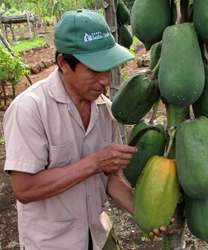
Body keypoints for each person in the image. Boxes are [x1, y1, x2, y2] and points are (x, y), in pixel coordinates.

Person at [4, 9, 175, 250]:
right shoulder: (30, 109)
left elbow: (110, 180)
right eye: (94, 70)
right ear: (63, 63)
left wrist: (146, 213)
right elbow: (24, 188)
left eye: (108, 68)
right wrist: (94, 163)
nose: (105, 80)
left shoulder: (105, 110)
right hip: (53, 243)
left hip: (97, 236)